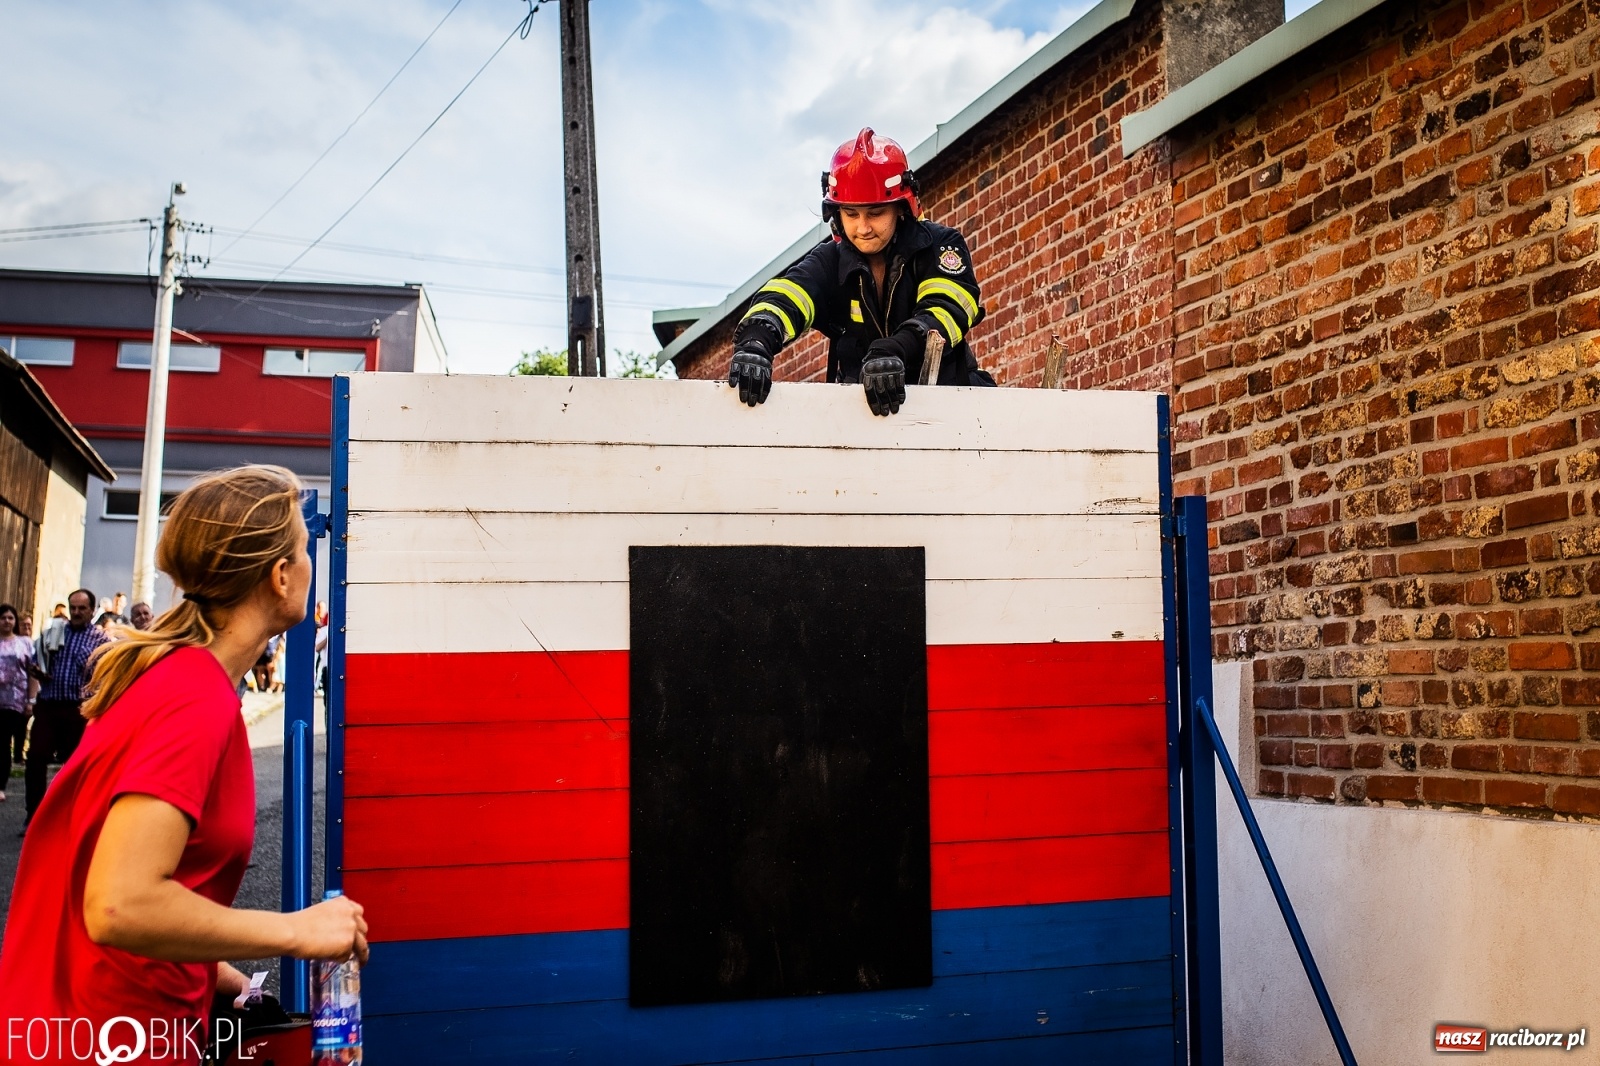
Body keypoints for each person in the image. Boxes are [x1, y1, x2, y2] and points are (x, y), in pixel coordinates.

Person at [0, 465, 367, 1063]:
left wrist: (231, 982)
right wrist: (297, 930)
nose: (308, 564)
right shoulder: (192, 696)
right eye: (303, 549)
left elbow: (128, 877)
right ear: (279, 576)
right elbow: (122, 902)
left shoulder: (181, 682)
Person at [728, 127, 995, 416]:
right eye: (851, 214)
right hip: (861, 421)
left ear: (901, 208)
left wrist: (896, 350)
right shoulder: (830, 261)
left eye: (876, 213)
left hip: (951, 414)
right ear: (837, 214)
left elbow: (948, 308)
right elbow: (787, 296)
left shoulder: (939, 245)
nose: (863, 228)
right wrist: (757, 339)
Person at [26, 588, 108, 826]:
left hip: (78, 709)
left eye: (82, 608)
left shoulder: (100, 639)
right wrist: (36, 670)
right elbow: (35, 658)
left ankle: (71, 816)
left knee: (75, 765)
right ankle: (33, 815)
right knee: (36, 757)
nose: (76, 612)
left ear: (92, 610)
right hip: (50, 705)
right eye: (73, 607)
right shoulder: (55, 631)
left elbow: (104, 674)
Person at [0, 604, 36, 802]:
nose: (7, 621)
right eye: (3, 618)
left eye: (10, 618)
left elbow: (32, 673)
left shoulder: (24, 643)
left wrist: (31, 700)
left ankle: (0, 784)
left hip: (14, 700)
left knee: (4, 743)